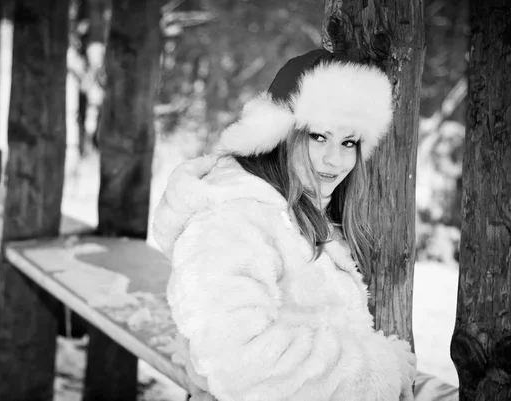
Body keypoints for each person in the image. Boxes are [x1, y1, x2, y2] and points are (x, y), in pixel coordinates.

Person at [153, 48, 417, 401]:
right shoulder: (232, 219)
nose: (334, 160)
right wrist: (378, 372)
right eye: (318, 136)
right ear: (281, 132)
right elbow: (240, 363)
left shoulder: (302, 210)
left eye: (349, 142)